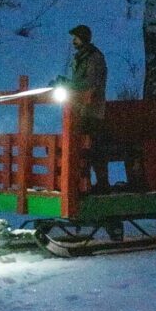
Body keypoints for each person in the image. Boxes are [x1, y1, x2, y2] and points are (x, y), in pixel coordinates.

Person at [61, 24, 110, 192]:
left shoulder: (94, 58)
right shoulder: (81, 57)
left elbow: (90, 82)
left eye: (76, 38)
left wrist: (68, 85)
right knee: (80, 147)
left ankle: (101, 184)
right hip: (79, 109)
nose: (73, 41)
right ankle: (82, 183)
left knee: (94, 147)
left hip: (92, 110)